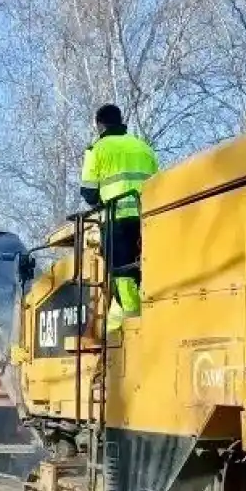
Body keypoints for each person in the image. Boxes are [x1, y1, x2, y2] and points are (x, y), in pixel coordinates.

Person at [79, 103, 159, 332]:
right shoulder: (143, 147)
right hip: (148, 218)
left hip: (118, 219)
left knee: (121, 271)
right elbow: (158, 183)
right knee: (144, 269)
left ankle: (133, 322)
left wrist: (100, 203)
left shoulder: (97, 149)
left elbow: (89, 192)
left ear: (99, 125)